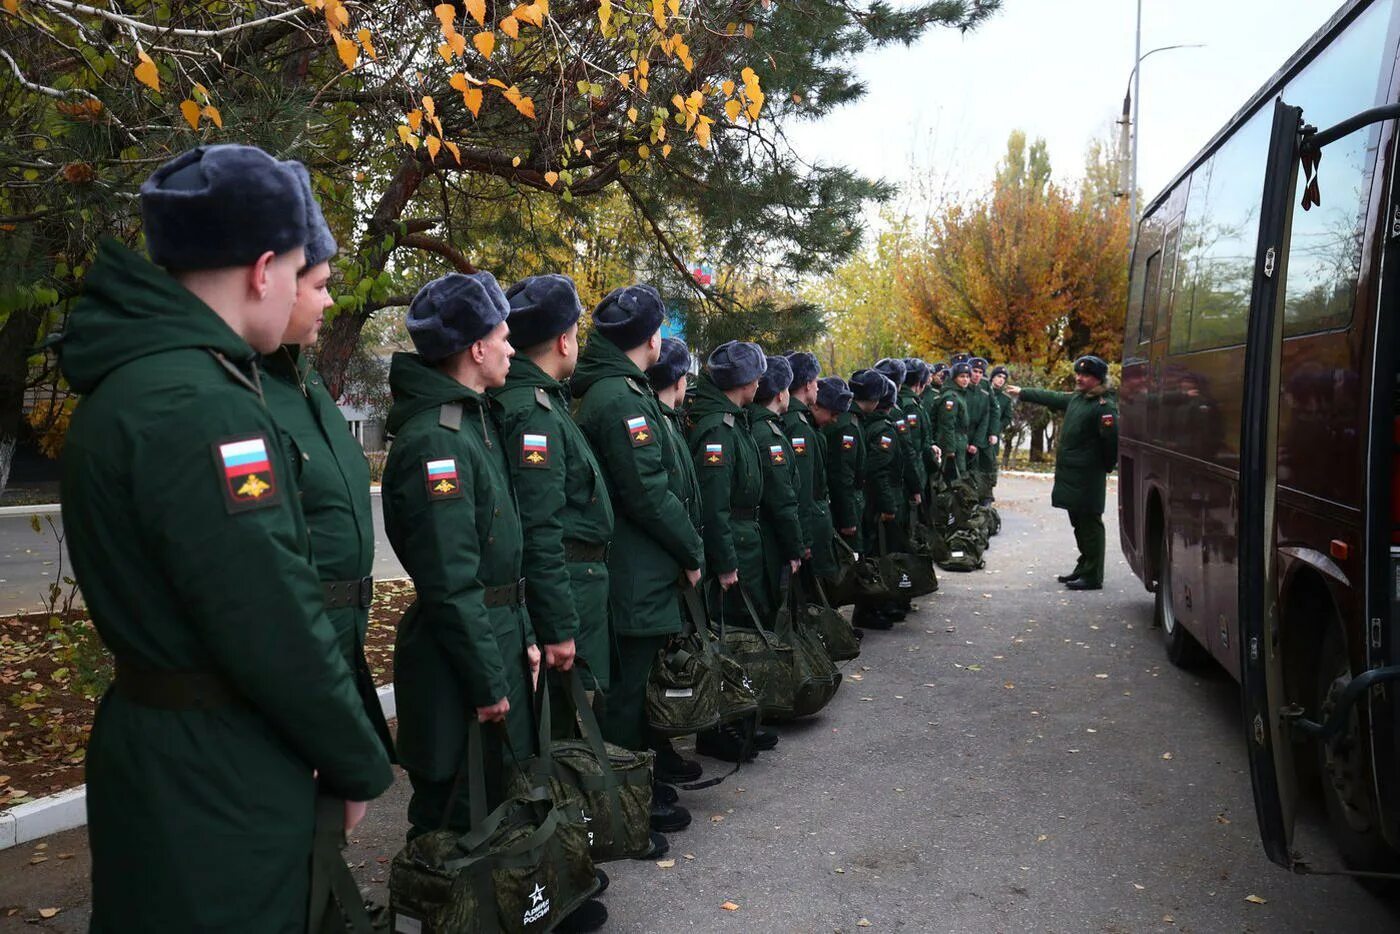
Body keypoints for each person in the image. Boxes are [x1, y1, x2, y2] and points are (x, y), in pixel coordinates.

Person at [58, 144, 393, 931]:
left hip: (169, 753)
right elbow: (271, 615)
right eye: (304, 271)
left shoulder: (145, 379)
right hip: (218, 772)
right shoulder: (205, 404)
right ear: (262, 269)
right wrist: (354, 763)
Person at [261, 165, 395, 762]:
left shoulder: (307, 385)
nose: (330, 299)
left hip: (343, 636)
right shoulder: (250, 399)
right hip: (301, 647)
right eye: (318, 284)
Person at [572, 285, 704, 846]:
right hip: (632, 573)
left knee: (635, 688)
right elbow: (648, 492)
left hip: (640, 570)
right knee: (625, 698)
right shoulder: (620, 399)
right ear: (650, 338)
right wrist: (692, 550)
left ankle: (636, 790)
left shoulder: (623, 391)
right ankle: (624, 808)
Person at [489, 274, 614, 704]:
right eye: (577, 336)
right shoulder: (533, 413)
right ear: (563, 342)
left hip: (573, 584)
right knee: (571, 722)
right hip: (566, 588)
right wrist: (559, 626)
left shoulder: (543, 401)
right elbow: (541, 527)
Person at [644, 337, 708, 799]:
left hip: (664, 565)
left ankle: (657, 754)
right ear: (679, 379)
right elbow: (655, 496)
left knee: (660, 666)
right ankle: (644, 769)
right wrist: (691, 553)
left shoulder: (667, 420)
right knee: (641, 679)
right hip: (650, 570)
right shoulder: (646, 416)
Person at [1006, 355, 1120, 591]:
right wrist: (1022, 392)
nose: (1079, 378)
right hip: (1071, 475)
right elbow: (1053, 397)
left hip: (1088, 476)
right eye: (1078, 374)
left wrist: (1104, 468)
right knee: (1078, 523)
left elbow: (1111, 444)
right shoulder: (1079, 398)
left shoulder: (1103, 406)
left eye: (1085, 375)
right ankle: (1084, 567)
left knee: (1090, 524)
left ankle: (1093, 575)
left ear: (1097, 379)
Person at [747, 354, 805, 619]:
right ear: (781, 394)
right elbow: (782, 498)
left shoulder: (760, 426)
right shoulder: (769, 436)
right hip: (770, 540)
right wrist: (794, 548)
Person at [850, 369, 902, 629]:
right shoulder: (882, 429)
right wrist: (889, 506)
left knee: (869, 553)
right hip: (871, 501)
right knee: (874, 554)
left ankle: (872, 606)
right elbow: (878, 470)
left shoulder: (864, 423)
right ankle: (868, 609)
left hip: (864, 499)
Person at [783, 351, 838, 581]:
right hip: (806, 525)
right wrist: (803, 538)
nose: (818, 388)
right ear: (806, 385)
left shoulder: (802, 421)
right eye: (815, 382)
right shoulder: (799, 426)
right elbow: (802, 488)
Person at [819, 376, 864, 555]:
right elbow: (843, 474)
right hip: (841, 504)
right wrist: (848, 518)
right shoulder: (846, 427)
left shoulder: (846, 421)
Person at [936, 362, 973, 482]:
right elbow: (948, 425)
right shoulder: (951, 397)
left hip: (960, 441)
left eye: (967, 376)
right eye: (962, 376)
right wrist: (950, 450)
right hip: (953, 444)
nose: (965, 380)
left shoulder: (960, 394)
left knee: (960, 477)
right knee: (953, 480)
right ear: (954, 378)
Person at [964, 357, 994, 499]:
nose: (977, 375)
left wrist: (976, 443)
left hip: (975, 439)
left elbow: (985, 419)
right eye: (974, 371)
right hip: (962, 438)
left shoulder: (983, 394)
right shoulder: (960, 391)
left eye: (980, 372)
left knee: (974, 473)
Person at [987, 365, 1015, 504]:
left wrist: (995, 429)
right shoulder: (984, 392)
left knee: (990, 467)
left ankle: (987, 494)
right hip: (977, 435)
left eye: (1003, 378)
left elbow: (1007, 417)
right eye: (998, 376)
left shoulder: (1005, 399)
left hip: (993, 438)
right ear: (992, 377)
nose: (1001, 380)